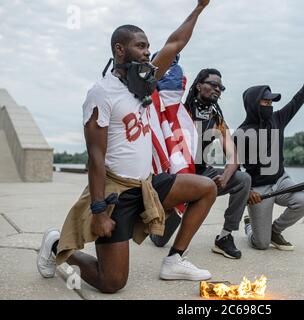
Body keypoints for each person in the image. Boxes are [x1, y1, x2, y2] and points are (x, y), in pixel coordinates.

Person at [36, 0, 217, 294]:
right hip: (116, 193)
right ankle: (58, 244)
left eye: (148, 47)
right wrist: (98, 211)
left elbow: (174, 43)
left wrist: (199, 8)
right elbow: (95, 156)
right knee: (112, 283)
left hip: (146, 184)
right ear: (120, 50)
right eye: (141, 46)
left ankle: (174, 259)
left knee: (206, 188)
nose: (148, 52)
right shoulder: (101, 93)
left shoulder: (142, 83)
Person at [150, 69, 251, 259]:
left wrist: (226, 176)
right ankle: (158, 222)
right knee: (159, 241)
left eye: (220, 87)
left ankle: (225, 236)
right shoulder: (179, 111)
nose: (217, 89)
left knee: (243, 179)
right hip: (178, 177)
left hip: (204, 174)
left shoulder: (216, 119)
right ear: (198, 86)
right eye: (213, 84)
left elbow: (233, 156)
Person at [235, 62, 304, 251]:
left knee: (303, 201)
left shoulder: (278, 119)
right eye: (265, 102)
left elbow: (297, 101)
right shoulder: (241, 133)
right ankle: (250, 226)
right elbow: (234, 169)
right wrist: (248, 193)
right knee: (261, 244)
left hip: (281, 180)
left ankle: (276, 230)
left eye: (271, 102)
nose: (269, 105)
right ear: (253, 104)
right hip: (259, 189)